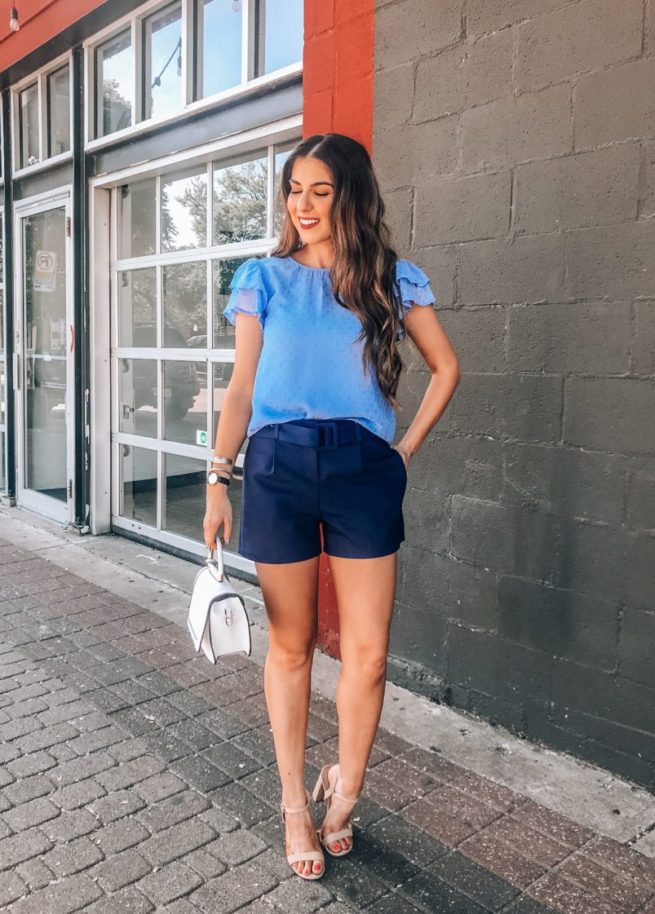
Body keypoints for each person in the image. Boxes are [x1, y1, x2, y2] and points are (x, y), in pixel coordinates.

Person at [203, 133, 460, 880]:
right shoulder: (264, 279)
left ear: (349, 194)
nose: (303, 205)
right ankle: (292, 802)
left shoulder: (392, 279)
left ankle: (344, 789)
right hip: (279, 465)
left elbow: (446, 369)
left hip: (363, 468)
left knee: (367, 654)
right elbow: (242, 388)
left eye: (319, 190)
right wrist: (217, 479)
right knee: (290, 646)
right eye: (293, 190)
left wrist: (401, 450)